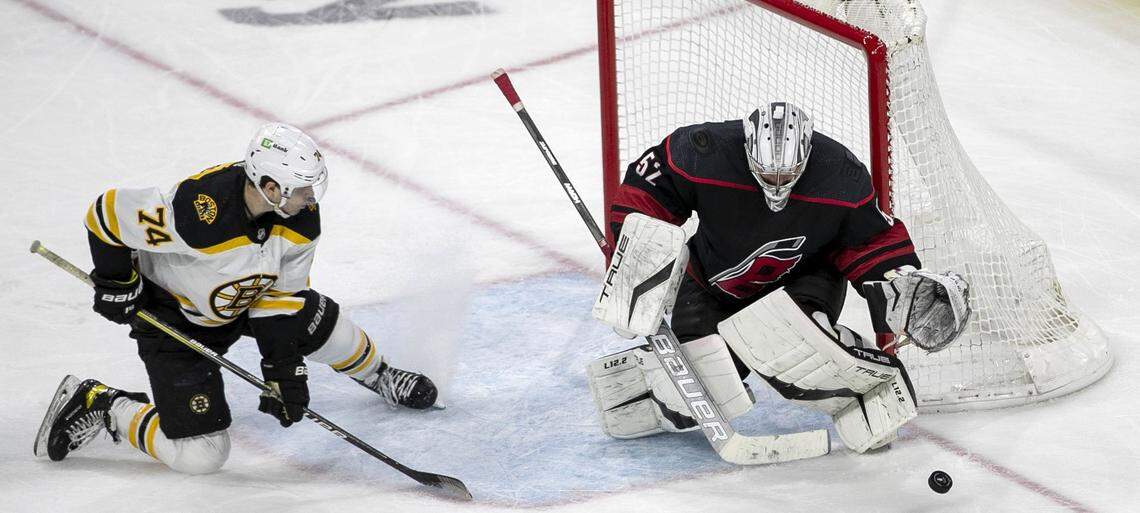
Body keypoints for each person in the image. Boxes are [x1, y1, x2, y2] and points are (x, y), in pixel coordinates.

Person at [34, 123, 440, 474]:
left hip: (243, 304)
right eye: (302, 190)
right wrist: (117, 280)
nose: (311, 199)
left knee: (326, 327)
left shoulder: (300, 220)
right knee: (201, 456)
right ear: (270, 188)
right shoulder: (198, 213)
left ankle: (379, 375)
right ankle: (105, 405)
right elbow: (105, 215)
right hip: (175, 321)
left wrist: (282, 369)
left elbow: (282, 299)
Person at [587, 102, 970, 453]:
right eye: (767, 169)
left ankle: (866, 379)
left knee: (789, 345)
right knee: (687, 387)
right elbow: (648, 190)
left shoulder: (839, 174)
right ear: (747, 148)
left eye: (787, 171)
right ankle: (660, 383)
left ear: (806, 155)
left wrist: (900, 281)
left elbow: (870, 239)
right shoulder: (702, 151)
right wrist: (637, 258)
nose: (776, 180)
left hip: (803, 284)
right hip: (711, 282)